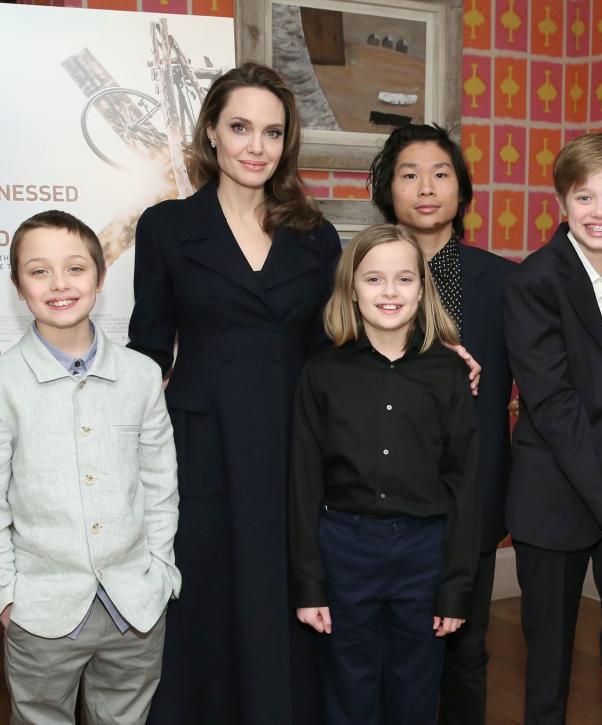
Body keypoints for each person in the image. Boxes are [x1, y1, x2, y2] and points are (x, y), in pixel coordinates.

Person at [127, 63, 341, 724]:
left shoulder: (317, 235)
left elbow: (334, 354)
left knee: (286, 595)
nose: (257, 145)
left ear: (287, 143)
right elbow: (147, 349)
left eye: (272, 132)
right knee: (207, 599)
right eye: (241, 127)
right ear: (212, 134)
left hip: (290, 444)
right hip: (202, 444)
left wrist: (432, 355)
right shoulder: (165, 228)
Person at [289, 223, 480, 724]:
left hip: (424, 552)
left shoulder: (449, 373)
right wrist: (309, 583)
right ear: (352, 288)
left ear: (422, 287)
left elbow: (464, 482)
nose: (390, 292)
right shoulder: (322, 373)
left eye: (404, 279)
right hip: (345, 549)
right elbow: (304, 482)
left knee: (416, 687)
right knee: (348, 685)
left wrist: (455, 586)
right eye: (374, 279)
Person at [504, 133, 602, 724]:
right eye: (585, 197)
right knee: (547, 660)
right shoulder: (535, 281)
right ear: (562, 202)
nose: (601, 213)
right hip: (556, 491)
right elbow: (553, 404)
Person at [0, 210, 179, 724]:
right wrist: (9, 595)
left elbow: (160, 485)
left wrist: (160, 573)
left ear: (100, 279)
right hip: (41, 609)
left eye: (75, 268)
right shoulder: (8, 382)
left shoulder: (141, 376)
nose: (59, 284)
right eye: (39, 271)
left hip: (136, 608)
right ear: (18, 285)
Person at [368, 123, 514, 724]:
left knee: (464, 651)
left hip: (468, 495)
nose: (425, 188)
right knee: (380, 650)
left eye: (441, 173)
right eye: (409, 174)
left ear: (462, 190)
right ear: (387, 190)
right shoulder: (359, 275)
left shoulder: (505, 281)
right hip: (376, 501)